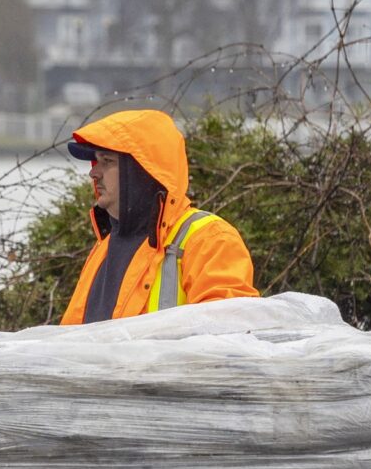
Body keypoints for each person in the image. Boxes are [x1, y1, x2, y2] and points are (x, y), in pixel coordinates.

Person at [60, 108, 259, 324]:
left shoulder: (209, 240)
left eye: (107, 161)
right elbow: (71, 342)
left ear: (141, 171)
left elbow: (228, 339)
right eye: (96, 161)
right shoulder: (104, 248)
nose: (93, 172)